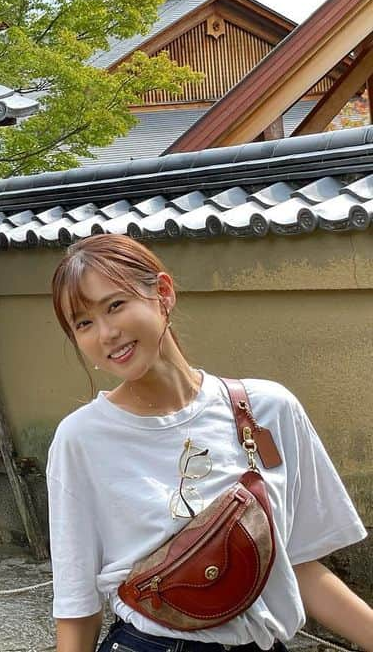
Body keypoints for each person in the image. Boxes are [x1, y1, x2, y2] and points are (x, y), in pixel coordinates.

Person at [46, 234, 372, 652]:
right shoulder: (81, 439)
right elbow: (77, 605)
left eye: (115, 305)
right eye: (83, 323)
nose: (106, 333)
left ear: (163, 293)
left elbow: (296, 566)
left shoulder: (268, 409)